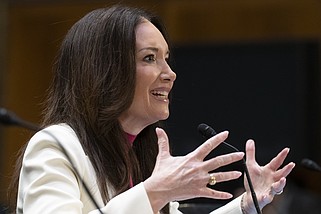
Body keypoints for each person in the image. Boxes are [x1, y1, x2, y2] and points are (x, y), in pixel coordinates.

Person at [9, 4, 295, 214]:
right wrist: (154, 192)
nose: (170, 73)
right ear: (104, 70)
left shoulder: (139, 155)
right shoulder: (55, 146)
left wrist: (246, 204)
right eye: (149, 58)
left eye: (166, 58)